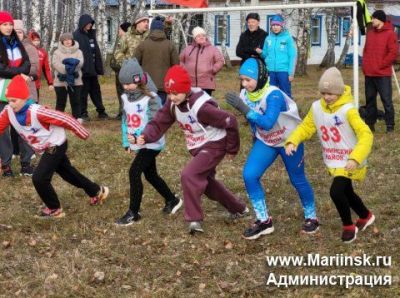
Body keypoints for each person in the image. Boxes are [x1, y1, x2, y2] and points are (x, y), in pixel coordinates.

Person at [137, 65, 248, 234]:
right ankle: (238, 208)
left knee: (189, 175)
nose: (171, 97)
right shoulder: (172, 103)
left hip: (214, 144)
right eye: (169, 93)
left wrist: (232, 149)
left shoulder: (202, 107)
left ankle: (194, 220)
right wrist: (146, 135)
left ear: (186, 89)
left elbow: (230, 121)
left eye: (175, 93)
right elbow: (159, 122)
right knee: (207, 184)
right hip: (197, 146)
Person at [225, 58, 318, 240]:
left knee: (297, 178)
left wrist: (244, 109)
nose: (244, 84)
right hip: (267, 141)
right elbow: (255, 124)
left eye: (248, 80)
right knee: (249, 175)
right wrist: (254, 137)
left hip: (289, 140)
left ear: (259, 77)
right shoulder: (245, 94)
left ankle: (311, 216)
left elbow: (267, 122)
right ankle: (264, 220)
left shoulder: (273, 95)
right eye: (241, 80)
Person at [285, 67, 375, 243]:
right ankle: (365, 216)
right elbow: (306, 126)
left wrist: (355, 158)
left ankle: (348, 226)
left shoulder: (348, 110)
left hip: (350, 160)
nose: (326, 96)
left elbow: (366, 134)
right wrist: (292, 140)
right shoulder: (317, 107)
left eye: (331, 93)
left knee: (336, 191)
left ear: (340, 91)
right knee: (346, 191)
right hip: (334, 159)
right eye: (323, 92)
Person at [0, 75, 109, 218]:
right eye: (8, 100)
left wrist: (82, 133)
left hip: (56, 144)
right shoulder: (9, 111)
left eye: (14, 100)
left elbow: (64, 118)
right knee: (68, 173)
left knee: (39, 178)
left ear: (25, 98)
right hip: (45, 147)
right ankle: (97, 191)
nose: (11, 104)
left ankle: (54, 208)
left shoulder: (37, 111)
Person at [115, 59, 182, 226]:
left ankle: (133, 212)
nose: (126, 87)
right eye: (123, 84)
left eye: (129, 83)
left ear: (137, 80)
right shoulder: (125, 98)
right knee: (150, 174)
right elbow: (125, 120)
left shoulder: (151, 98)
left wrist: (141, 136)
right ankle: (172, 200)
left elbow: (156, 122)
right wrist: (127, 141)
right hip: (138, 143)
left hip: (152, 143)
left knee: (134, 172)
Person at [0, 11, 34, 177]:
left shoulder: (17, 42)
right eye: (5, 24)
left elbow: (27, 64)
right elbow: (1, 68)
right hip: (1, 90)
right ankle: (6, 164)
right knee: (3, 129)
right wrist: (18, 73)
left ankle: (26, 163)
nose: (8, 27)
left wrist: (19, 73)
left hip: (19, 90)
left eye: (10, 24)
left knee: (23, 123)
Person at [362, 10, 399, 133]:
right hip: (369, 73)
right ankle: (370, 124)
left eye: (374, 19)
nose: (372, 21)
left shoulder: (390, 34)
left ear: (380, 20)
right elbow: (366, 50)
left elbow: (393, 53)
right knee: (370, 100)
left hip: (382, 74)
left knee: (386, 100)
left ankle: (390, 125)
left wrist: (381, 65)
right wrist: (365, 65)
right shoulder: (370, 33)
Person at [135, 16, 179, 105]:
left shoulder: (143, 45)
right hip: (164, 84)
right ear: (163, 29)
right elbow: (176, 65)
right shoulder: (170, 45)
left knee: (148, 108)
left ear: (151, 29)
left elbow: (135, 63)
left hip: (146, 84)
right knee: (160, 108)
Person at [73, 14, 108, 121]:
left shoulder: (91, 34)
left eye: (91, 23)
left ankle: (101, 111)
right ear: (83, 23)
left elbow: (95, 52)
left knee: (96, 91)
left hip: (92, 70)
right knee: (83, 92)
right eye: (88, 23)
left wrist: (98, 67)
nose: (89, 25)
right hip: (82, 70)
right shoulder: (76, 35)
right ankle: (83, 113)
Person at [259, 14, 297, 98]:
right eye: (273, 25)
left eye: (277, 25)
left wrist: (291, 73)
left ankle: (288, 110)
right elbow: (265, 55)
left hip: (283, 71)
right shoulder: (268, 39)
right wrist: (260, 52)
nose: (275, 27)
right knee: (271, 93)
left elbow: (292, 56)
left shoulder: (288, 38)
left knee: (285, 94)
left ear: (281, 26)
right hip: (270, 71)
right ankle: (274, 110)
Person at [179, 26, 224, 96]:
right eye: (198, 36)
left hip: (206, 84)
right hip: (190, 84)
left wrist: (213, 69)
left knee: (205, 105)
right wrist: (184, 70)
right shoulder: (187, 49)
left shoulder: (213, 49)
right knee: (191, 104)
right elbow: (179, 61)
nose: (201, 37)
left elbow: (220, 61)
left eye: (203, 35)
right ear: (195, 38)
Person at [52, 32, 84, 120]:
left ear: (72, 40)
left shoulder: (78, 51)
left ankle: (77, 119)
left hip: (76, 81)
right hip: (60, 82)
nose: (67, 41)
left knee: (76, 102)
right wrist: (66, 68)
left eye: (69, 39)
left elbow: (80, 63)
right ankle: (58, 120)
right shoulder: (57, 52)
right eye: (65, 40)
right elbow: (55, 64)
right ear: (62, 42)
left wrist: (73, 67)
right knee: (60, 102)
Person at [110, 21, 131, 120]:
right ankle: (121, 111)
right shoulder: (122, 40)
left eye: (120, 29)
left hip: (124, 71)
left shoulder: (127, 41)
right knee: (121, 92)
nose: (118, 31)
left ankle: (125, 112)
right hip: (119, 71)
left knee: (125, 92)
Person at [28, 30, 54, 99]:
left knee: (35, 104)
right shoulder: (24, 50)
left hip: (36, 84)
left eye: (38, 40)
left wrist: (50, 83)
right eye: (34, 40)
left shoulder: (42, 52)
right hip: (25, 82)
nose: (36, 42)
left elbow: (46, 69)